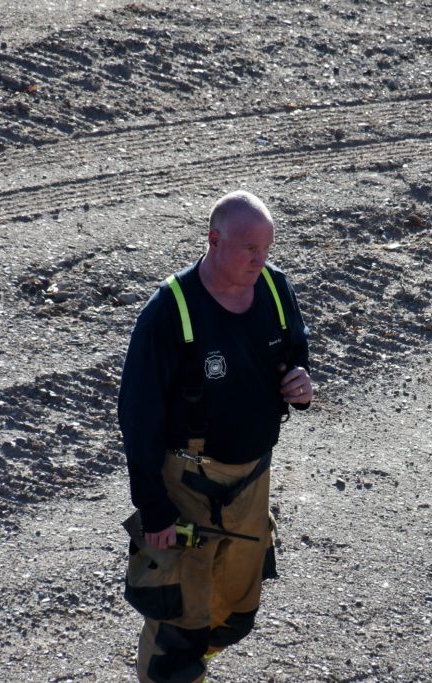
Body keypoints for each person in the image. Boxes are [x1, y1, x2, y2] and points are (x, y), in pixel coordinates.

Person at [118, 190, 312, 683]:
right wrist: (155, 509)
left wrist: (300, 383)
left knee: (234, 615)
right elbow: (138, 419)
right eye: (249, 248)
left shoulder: (275, 289)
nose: (259, 260)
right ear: (214, 239)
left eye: (266, 248)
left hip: (251, 483)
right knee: (179, 624)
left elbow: (295, 352)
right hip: (186, 486)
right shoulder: (169, 311)